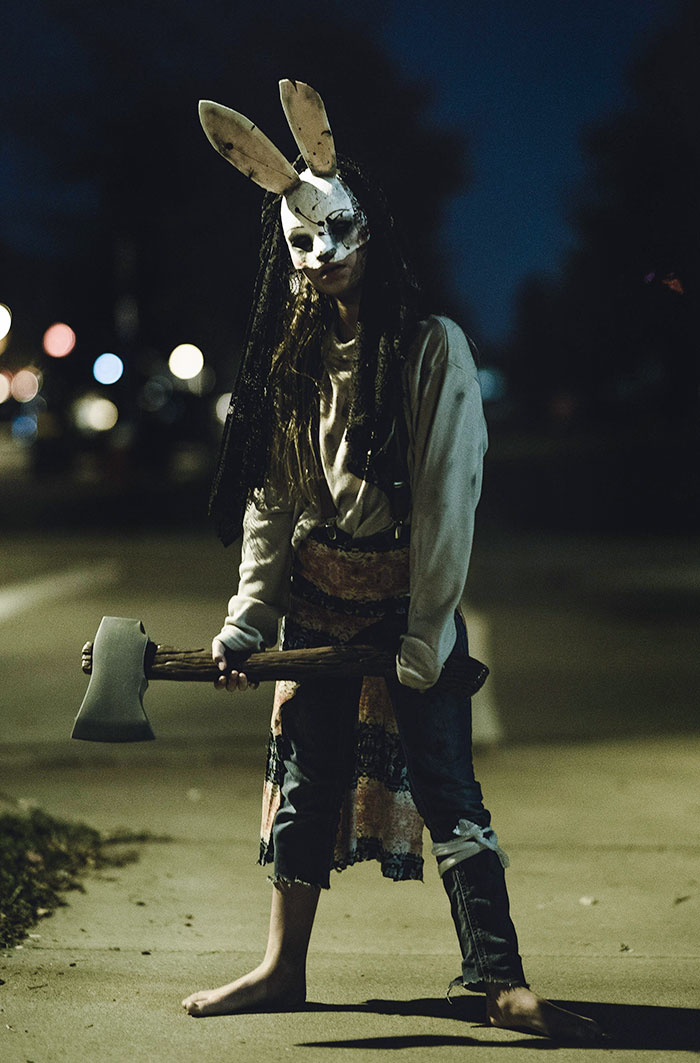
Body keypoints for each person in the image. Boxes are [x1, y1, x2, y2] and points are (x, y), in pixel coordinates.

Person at [182, 80, 603, 1044]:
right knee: (305, 778)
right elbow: (274, 498)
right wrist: (250, 615)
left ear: (369, 231)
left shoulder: (428, 349)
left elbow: (451, 495)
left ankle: (497, 976)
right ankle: (284, 966)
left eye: (336, 234)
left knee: (448, 783)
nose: (322, 255)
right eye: (301, 242)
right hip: (319, 598)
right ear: (283, 251)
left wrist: (426, 626)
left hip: (407, 596)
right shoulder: (286, 359)